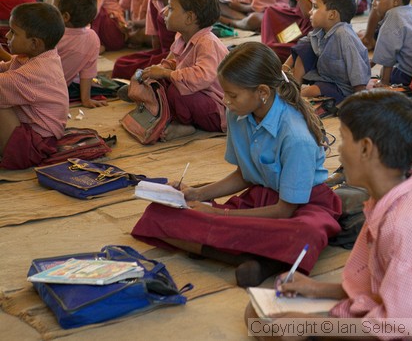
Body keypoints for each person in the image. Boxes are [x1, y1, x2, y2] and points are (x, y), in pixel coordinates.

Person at [251, 91, 412, 340]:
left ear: (366, 148)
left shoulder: (410, 225)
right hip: (388, 322)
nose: (340, 153)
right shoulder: (385, 202)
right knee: (260, 316)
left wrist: (311, 325)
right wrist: (314, 289)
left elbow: (395, 326)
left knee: (275, 328)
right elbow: (377, 288)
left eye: (344, 140)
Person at [132, 41, 342, 288]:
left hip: (302, 206)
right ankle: (258, 259)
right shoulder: (238, 114)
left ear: (262, 92)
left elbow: (285, 211)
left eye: (232, 95)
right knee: (159, 214)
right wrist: (195, 193)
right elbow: (245, 174)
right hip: (260, 200)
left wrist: (220, 214)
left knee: (305, 234)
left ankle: (236, 252)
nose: (226, 102)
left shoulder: (296, 136)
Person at [133, 0, 228, 140]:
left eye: (170, 8)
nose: (163, 12)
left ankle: (185, 124)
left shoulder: (207, 43)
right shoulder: (182, 37)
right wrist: (157, 70)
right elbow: (172, 61)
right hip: (196, 95)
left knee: (176, 91)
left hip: (216, 111)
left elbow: (202, 76)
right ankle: (170, 115)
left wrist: (166, 74)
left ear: (189, 18)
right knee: (158, 83)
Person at [0, 3, 68, 170]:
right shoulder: (40, 55)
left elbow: (5, 83)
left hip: (33, 146)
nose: (7, 36)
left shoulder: (34, 73)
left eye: (13, 32)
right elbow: (5, 68)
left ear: (34, 43)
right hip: (32, 133)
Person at [111, 0, 194, 79]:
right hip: (163, 53)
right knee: (121, 63)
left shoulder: (185, 6)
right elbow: (155, 39)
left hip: (182, 55)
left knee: (150, 71)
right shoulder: (154, 2)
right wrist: (154, 58)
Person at [286, 0, 370, 103]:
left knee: (309, 92)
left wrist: (359, 98)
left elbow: (357, 66)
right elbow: (302, 46)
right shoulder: (320, 30)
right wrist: (286, 66)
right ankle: (294, 85)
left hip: (343, 87)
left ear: (332, 15)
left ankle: (293, 96)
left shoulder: (344, 35)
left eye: (315, 7)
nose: (310, 11)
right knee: (305, 46)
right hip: (325, 77)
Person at [54, 0, 106, 109]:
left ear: (65, 17)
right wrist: (86, 99)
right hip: (60, 91)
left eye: (53, 8)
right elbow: (87, 72)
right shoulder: (93, 38)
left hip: (34, 86)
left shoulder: (53, 33)